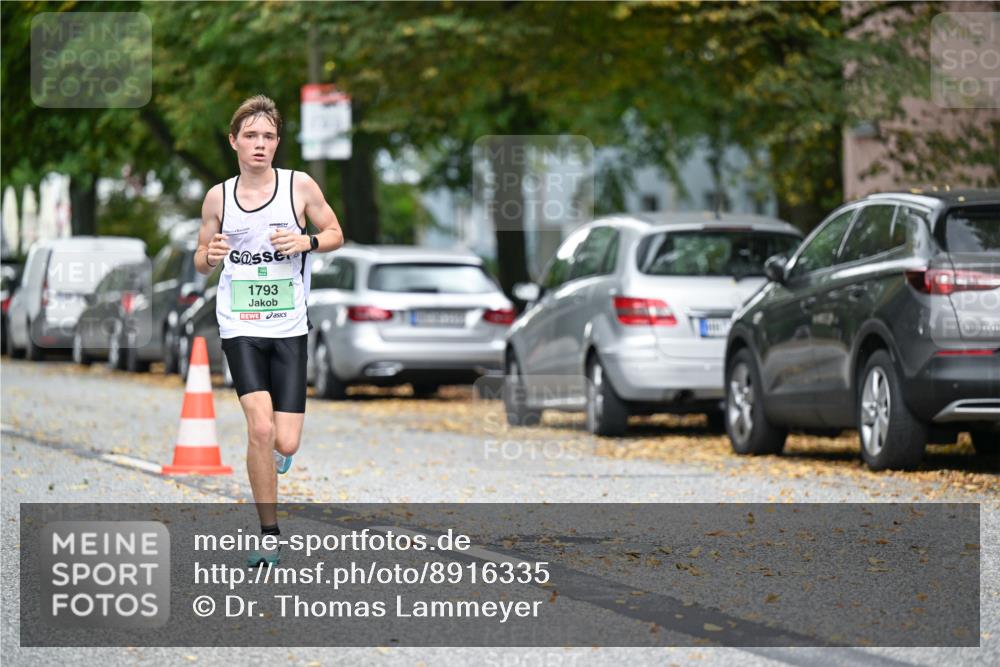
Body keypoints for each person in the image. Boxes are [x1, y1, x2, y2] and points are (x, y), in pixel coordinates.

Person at [194, 94, 344, 566]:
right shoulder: (219, 196)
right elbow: (200, 259)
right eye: (251, 136)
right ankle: (269, 534)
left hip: (289, 327)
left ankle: (275, 459)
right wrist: (210, 256)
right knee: (260, 428)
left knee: (286, 441)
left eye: (269, 136)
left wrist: (307, 240)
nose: (260, 144)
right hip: (239, 326)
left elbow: (337, 232)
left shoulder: (299, 186)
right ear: (234, 141)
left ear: (277, 142)